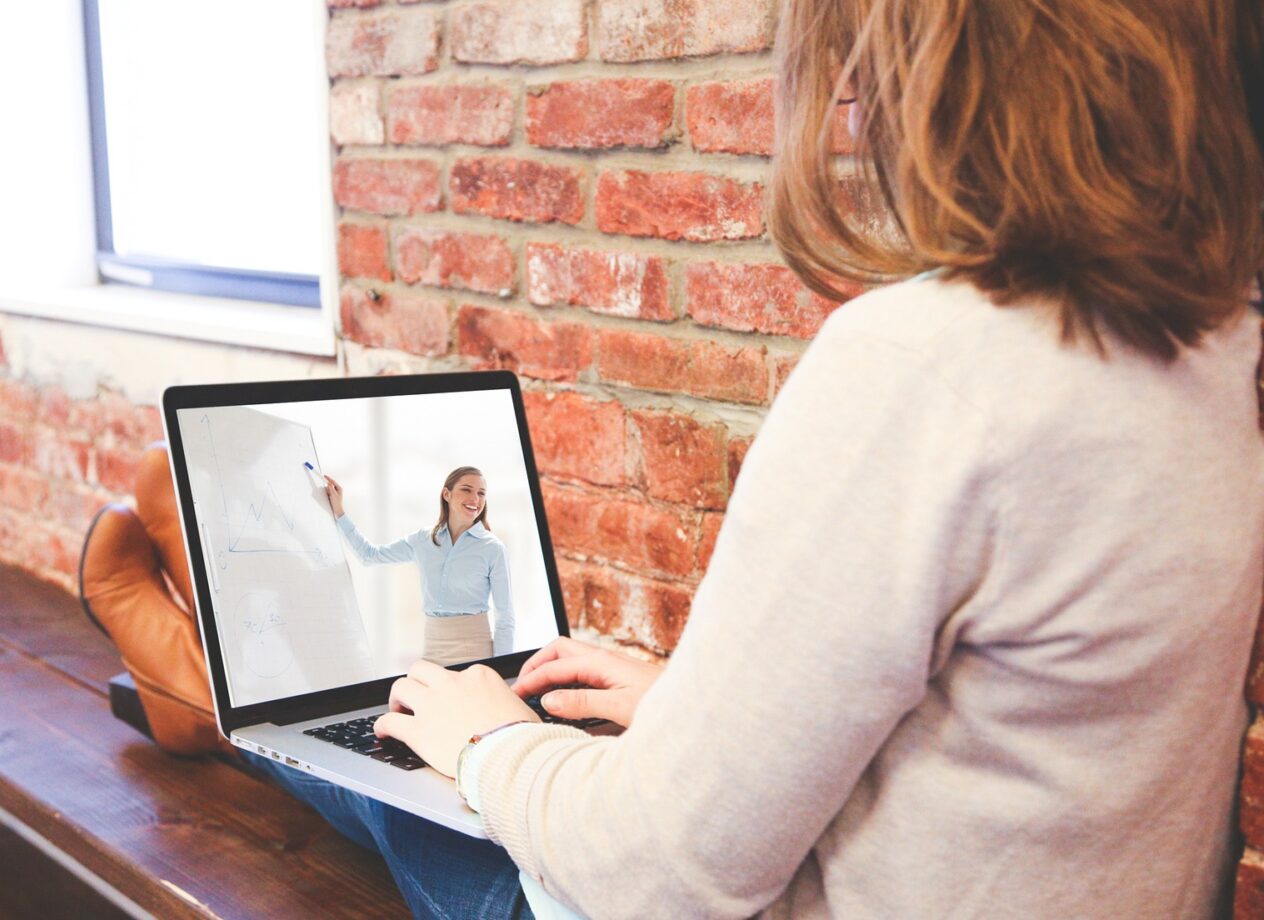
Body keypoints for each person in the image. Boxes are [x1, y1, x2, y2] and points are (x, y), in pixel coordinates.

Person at [80, 0, 1264, 915]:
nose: (851, 103)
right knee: (429, 702)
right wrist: (700, 718)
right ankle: (222, 677)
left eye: (867, 53)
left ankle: (197, 683)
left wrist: (490, 743)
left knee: (394, 759)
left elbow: (663, 879)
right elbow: (1024, 734)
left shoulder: (928, 366)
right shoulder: (1225, 343)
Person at [323, 466, 515, 666]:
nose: (475, 499)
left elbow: (505, 617)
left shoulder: (493, 548)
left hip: (476, 651)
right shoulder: (423, 540)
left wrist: (502, 669)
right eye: (467, 490)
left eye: (481, 493)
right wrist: (340, 512)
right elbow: (369, 555)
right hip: (433, 649)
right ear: (446, 494)